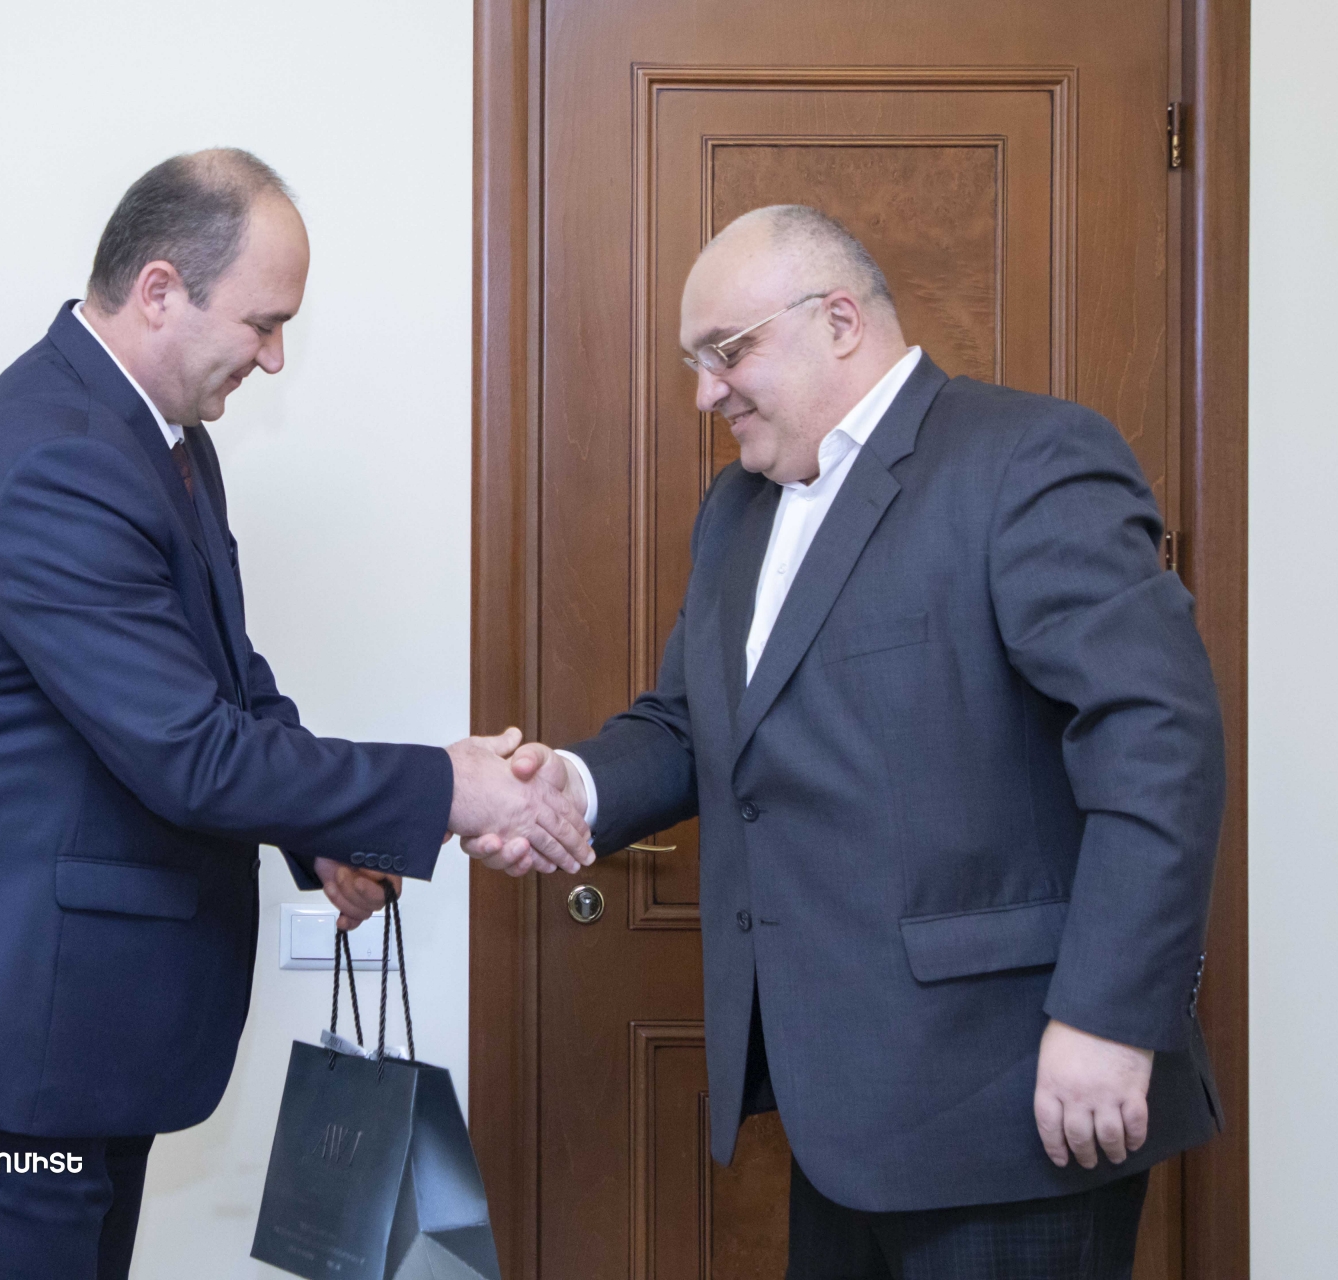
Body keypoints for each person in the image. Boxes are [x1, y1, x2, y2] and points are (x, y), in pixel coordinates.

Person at [0, 149, 591, 1280]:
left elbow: (225, 683)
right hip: (7, 1032)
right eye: (264, 323)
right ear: (159, 291)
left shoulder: (157, 435)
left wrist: (324, 831)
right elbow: (191, 752)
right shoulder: (60, 461)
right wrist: (454, 785)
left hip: (68, 1027)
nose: (275, 357)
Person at [478, 205, 1225, 1278]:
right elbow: (691, 722)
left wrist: (1111, 1016)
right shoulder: (735, 510)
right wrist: (568, 783)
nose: (705, 393)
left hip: (1014, 1107)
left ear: (838, 320)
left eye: (727, 352)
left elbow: (1160, 740)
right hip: (836, 1116)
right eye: (694, 363)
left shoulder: (1027, 457)